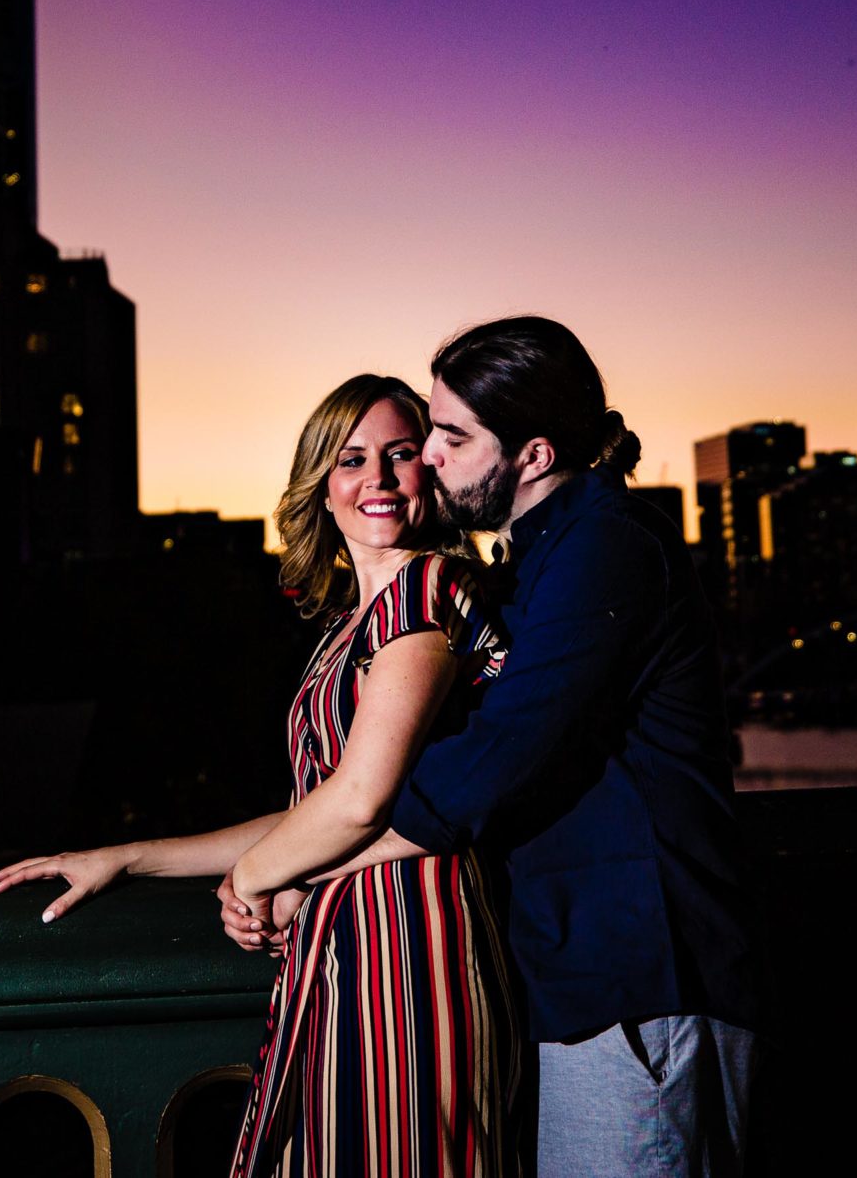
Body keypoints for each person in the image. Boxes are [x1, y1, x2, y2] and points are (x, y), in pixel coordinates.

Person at [0, 373, 521, 1177]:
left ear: (432, 474)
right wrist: (128, 856)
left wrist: (255, 876)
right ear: (323, 488)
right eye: (350, 459)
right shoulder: (349, 628)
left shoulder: (428, 589)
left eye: (400, 454)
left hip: (413, 956)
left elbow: (359, 798)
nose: (376, 478)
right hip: (340, 953)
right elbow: (310, 812)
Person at [276, 317, 760, 1178]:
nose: (427, 457)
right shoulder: (527, 565)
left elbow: (494, 758)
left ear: (531, 455)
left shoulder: (607, 545)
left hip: (642, 982)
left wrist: (303, 867)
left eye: (451, 437)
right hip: (574, 979)